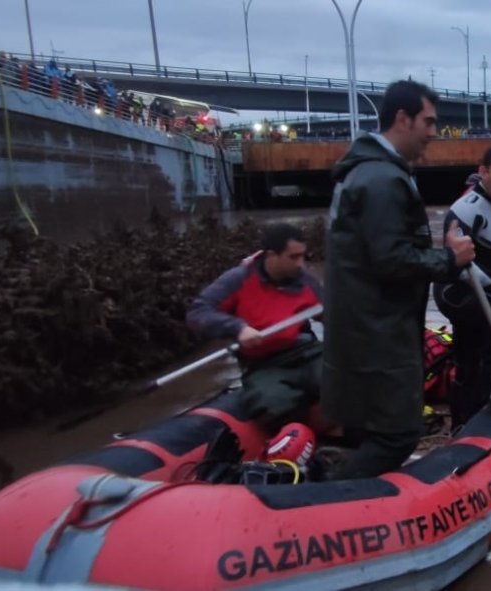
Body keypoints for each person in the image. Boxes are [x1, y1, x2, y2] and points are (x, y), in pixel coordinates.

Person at [321, 79, 475, 480]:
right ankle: (333, 495)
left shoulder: (365, 172)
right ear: (403, 119)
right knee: (400, 434)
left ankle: (349, 490)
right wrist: (449, 259)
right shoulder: (382, 180)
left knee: (366, 428)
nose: (434, 132)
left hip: (361, 325)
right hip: (379, 331)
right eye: (429, 122)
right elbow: (390, 260)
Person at [186, 223, 325, 431]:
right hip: (262, 364)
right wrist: (238, 328)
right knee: (275, 404)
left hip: (306, 352)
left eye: (303, 256)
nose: (301, 264)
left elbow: (331, 316)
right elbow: (198, 312)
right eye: (293, 257)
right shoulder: (238, 279)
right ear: (272, 255)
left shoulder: (306, 280)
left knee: (345, 379)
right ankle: (294, 438)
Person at [433, 143, 491, 428]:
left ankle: (488, 402)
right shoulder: (465, 209)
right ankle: (488, 406)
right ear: (483, 171)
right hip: (457, 291)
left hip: (485, 289)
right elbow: (457, 262)